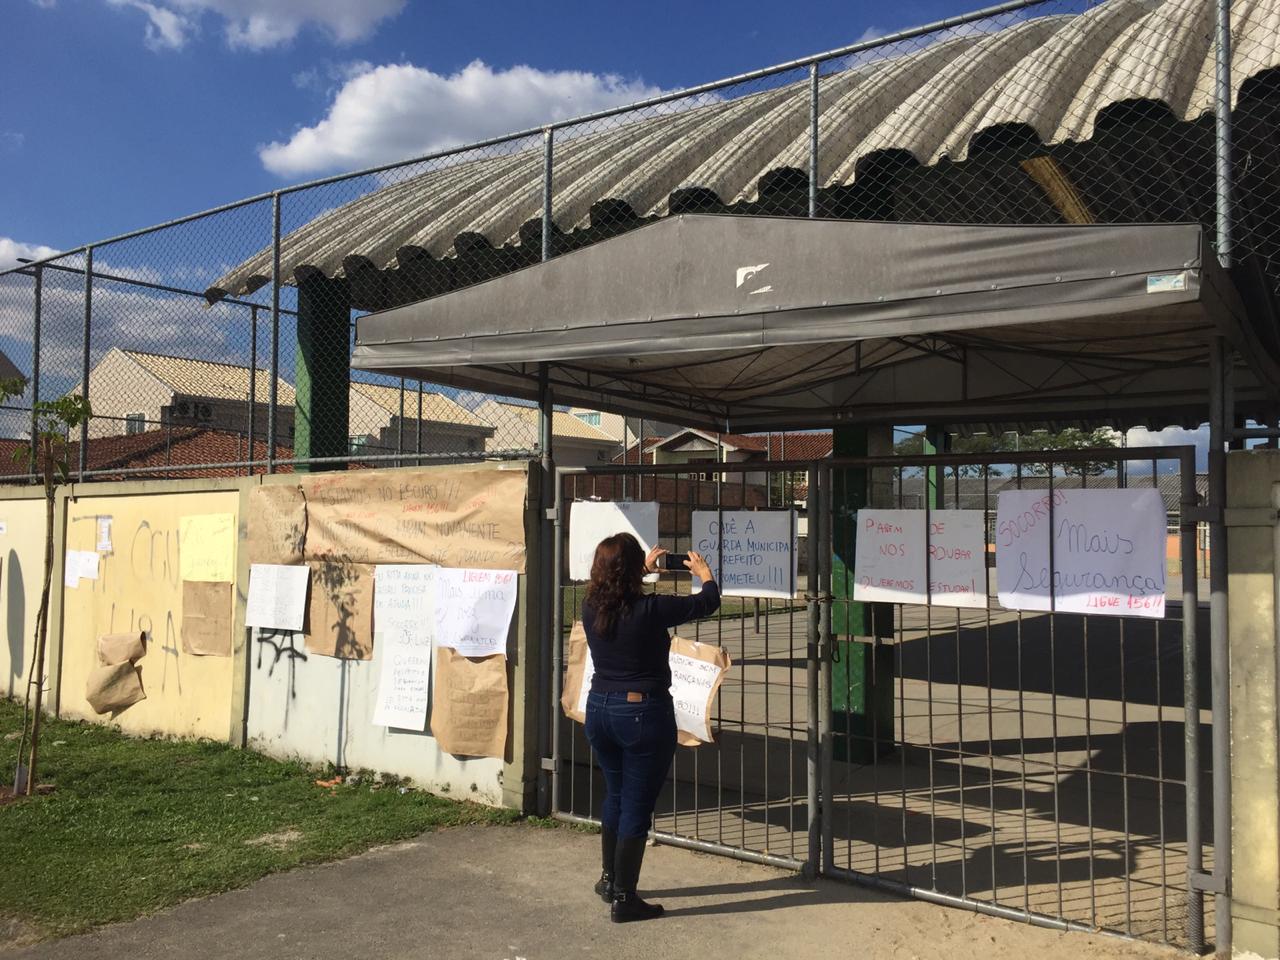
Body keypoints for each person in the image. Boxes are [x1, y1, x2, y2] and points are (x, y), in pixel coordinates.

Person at [581, 533, 720, 923]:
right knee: (636, 807)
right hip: (642, 714)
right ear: (632, 570)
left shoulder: (591, 606)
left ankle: (610, 879)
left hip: (600, 710)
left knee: (617, 794)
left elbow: (616, 593)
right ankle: (625, 898)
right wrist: (705, 574)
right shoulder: (649, 609)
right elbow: (706, 603)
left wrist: (638, 569)